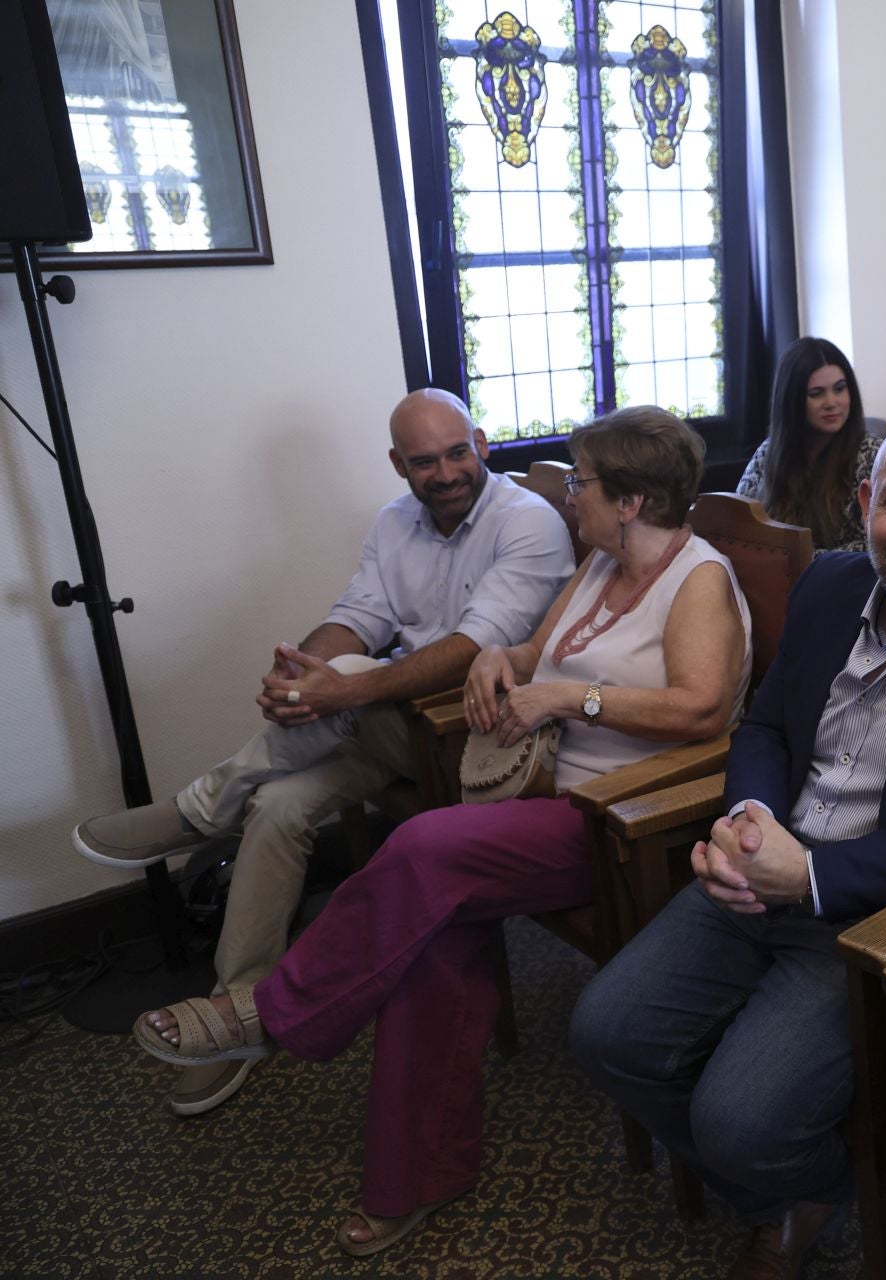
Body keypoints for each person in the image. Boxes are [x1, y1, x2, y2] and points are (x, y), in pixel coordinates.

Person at [128, 408, 752, 1255]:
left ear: (633, 500)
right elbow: (537, 651)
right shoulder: (603, 564)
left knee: (421, 848)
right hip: (550, 801)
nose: (572, 497)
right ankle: (413, 1176)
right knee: (430, 934)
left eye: (583, 483)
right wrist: (505, 660)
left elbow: (702, 708)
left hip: (628, 824)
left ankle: (272, 1011)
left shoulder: (698, 581)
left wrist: (571, 697)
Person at [568, 414, 886, 1280]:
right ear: (863, 505)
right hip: (765, 861)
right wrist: (748, 823)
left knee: (737, 1119)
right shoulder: (826, 587)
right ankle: (793, 1192)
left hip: (871, 915)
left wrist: (810, 875)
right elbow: (768, 723)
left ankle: (808, 1188)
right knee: (605, 1036)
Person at [75, 389, 573, 1117]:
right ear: (398, 463)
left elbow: (472, 649)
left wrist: (336, 692)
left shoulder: (528, 523)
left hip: (473, 734)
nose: (445, 473)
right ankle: (239, 1010)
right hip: (382, 726)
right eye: (425, 461)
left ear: (485, 445)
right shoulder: (394, 521)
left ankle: (198, 810)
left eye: (458, 452)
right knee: (278, 802)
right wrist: (299, 674)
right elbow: (358, 618)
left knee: (344, 684)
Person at [737, 337, 882, 552]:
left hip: (839, 581)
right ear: (791, 400)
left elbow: (873, 545)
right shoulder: (769, 452)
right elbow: (739, 525)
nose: (832, 402)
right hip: (771, 576)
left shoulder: (872, 454)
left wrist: (794, 559)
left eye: (840, 389)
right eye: (817, 394)